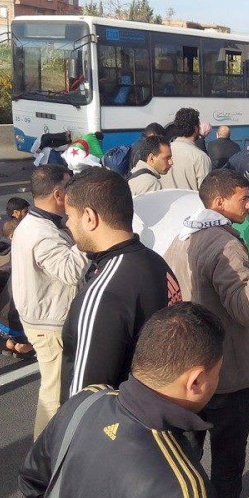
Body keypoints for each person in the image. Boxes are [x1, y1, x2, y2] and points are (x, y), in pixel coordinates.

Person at [19, 303, 224, 498]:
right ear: (195, 381)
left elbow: (32, 480)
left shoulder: (85, 402)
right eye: (217, 372)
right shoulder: (185, 494)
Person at [164, 169, 249, 498]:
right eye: (243, 198)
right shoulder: (226, 244)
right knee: (227, 469)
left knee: (185, 462)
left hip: (191, 374)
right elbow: (245, 307)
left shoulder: (184, 237)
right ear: (219, 202)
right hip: (227, 376)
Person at [62, 167, 182, 397]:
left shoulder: (104, 294)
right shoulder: (155, 262)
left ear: (89, 217)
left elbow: (82, 401)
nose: (67, 224)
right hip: (158, 409)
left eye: (69, 216)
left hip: (118, 425)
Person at [12, 165, 90, 439]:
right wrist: (87, 236)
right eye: (70, 188)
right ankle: (43, 461)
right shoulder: (42, 233)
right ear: (59, 194)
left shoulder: (35, 223)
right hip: (50, 323)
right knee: (54, 393)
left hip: (42, 317)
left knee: (56, 387)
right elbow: (69, 271)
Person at [0, 217, 34, 358]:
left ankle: (11, 343)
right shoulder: (18, 257)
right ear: (14, 236)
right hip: (15, 322)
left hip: (0, 320)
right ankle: (23, 346)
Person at [159, 107, 212, 191]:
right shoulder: (201, 157)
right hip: (190, 203)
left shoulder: (161, 152)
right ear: (195, 128)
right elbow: (206, 193)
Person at [0, 197, 29, 271]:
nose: (28, 214)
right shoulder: (17, 227)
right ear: (16, 213)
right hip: (5, 272)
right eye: (25, 212)